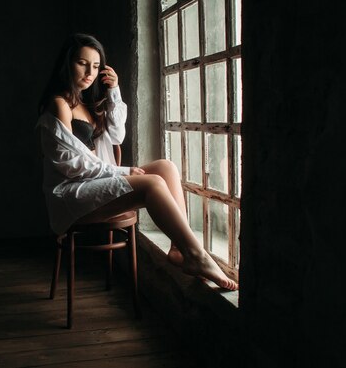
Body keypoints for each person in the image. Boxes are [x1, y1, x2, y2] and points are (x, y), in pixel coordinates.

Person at [36, 33, 237, 291]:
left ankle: (179, 249)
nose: (90, 72)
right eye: (82, 63)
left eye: (96, 66)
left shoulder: (86, 103)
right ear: (67, 63)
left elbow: (117, 135)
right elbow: (70, 164)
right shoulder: (59, 104)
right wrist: (124, 171)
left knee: (166, 167)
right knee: (152, 184)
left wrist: (114, 91)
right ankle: (197, 256)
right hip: (71, 193)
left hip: (95, 183)